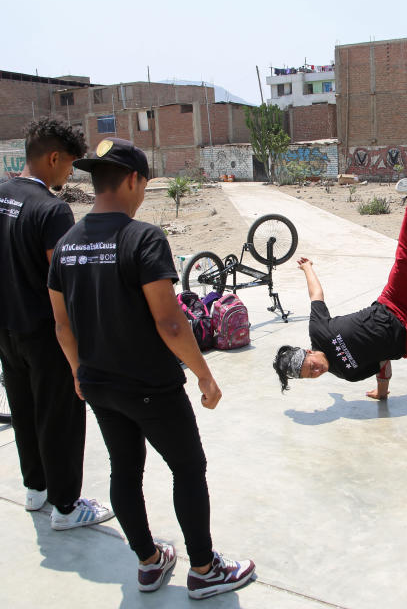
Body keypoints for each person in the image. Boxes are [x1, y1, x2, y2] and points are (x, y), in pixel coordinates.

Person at [47, 137, 255, 598]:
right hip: (150, 386)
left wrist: (80, 372)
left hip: (99, 384)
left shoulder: (65, 245)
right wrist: (204, 374)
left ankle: (148, 560)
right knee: (188, 467)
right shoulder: (142, 238)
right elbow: (170, 321)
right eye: (145, 183)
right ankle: (203, 569)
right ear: (134, 180)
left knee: (125, 469)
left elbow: (61, 325)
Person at [0, 118, 113, 530]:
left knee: (24, 409)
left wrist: (8, 305)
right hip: (46, 333)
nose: (68, 174)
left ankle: (36, 489)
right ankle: (68, 507)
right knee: (61, 416)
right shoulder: (52, 210)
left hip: (5, 326)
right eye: (69, 165)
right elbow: (66, 280)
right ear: (53, 158)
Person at [274, 178, 407, 399]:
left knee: (403, 260)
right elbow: (381, 362)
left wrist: (308, 268)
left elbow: (316, 295)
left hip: (389, 304)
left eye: (311, 367)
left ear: (309, 352)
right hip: (406, 340)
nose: (317, 372)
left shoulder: (318, 330)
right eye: (311, 376)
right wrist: (382, 391)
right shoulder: (348, 373)